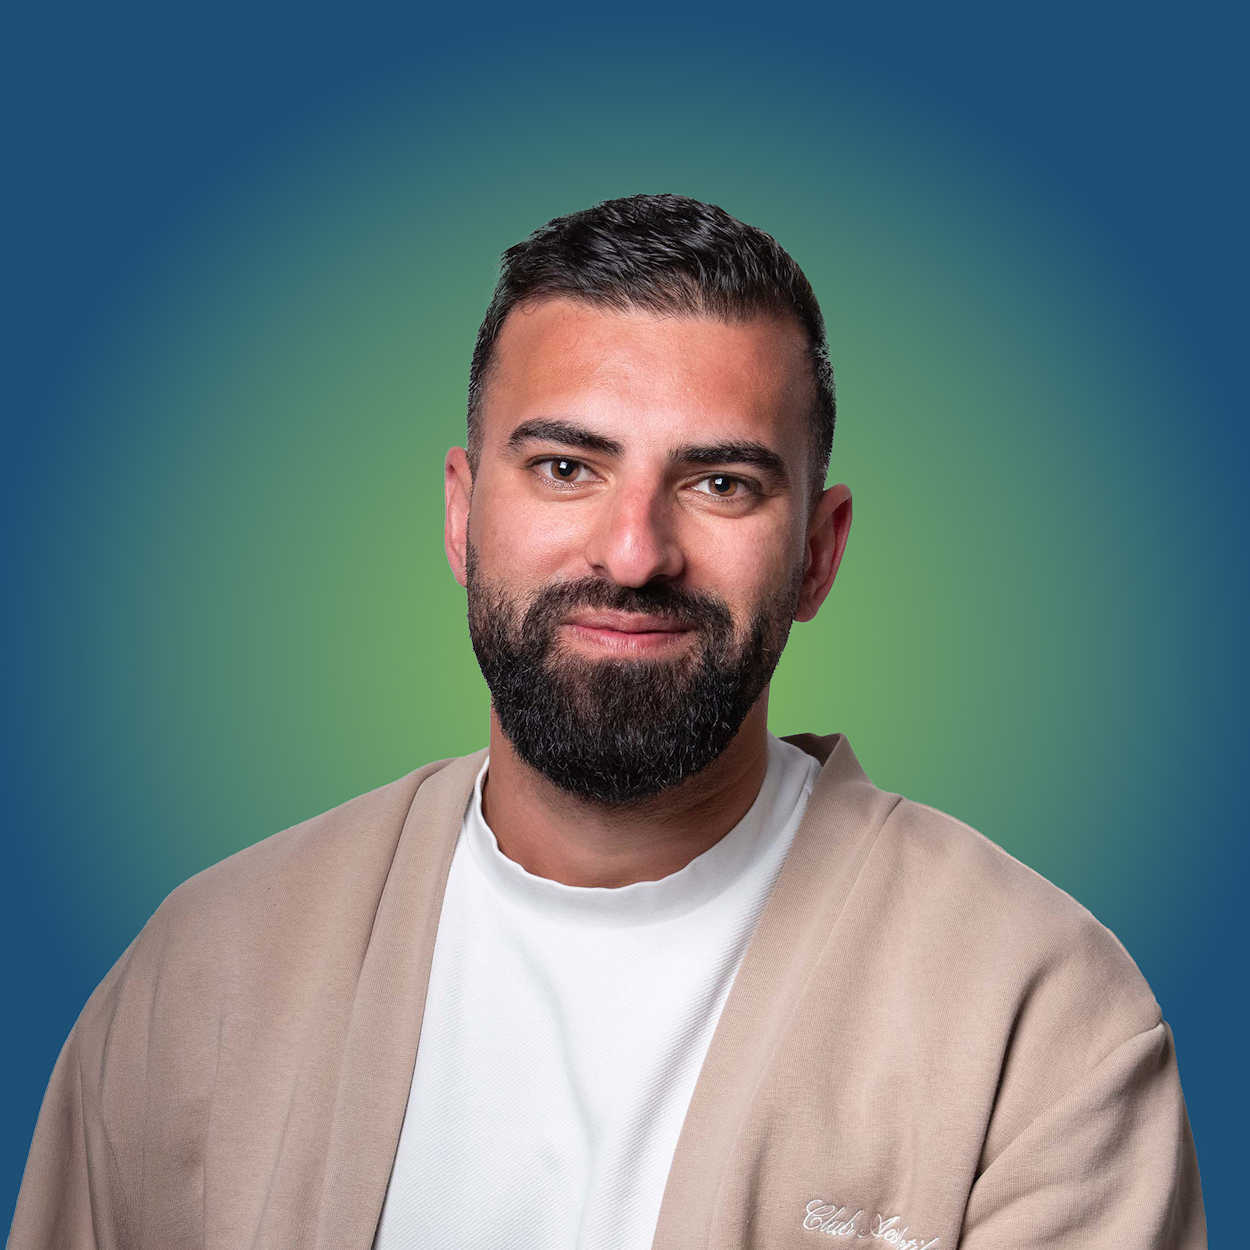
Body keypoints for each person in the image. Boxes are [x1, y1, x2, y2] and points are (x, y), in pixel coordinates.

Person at [9, 194, 1205, 1250]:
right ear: (462, 515)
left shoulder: (1035, 1018)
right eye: (566, 467)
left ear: (816, 553)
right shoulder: (205, 970)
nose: (633, 552)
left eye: (719, 482)